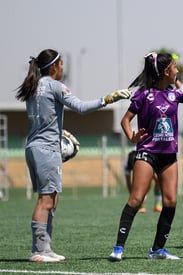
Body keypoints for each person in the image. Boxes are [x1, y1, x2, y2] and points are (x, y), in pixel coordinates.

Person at [109, 52, 183, 261]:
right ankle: (118, 248)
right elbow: (125, 121)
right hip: (147, 153)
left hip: (169, 156)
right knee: (136, 199)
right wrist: (131, 136)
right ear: (165, 71)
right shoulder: (144, 95)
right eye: (174, 67)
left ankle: (157, 249)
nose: (177, 70)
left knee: (171, 201)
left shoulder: (176, 93)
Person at [16, 49, 131, 262]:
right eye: (61, 64)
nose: (63, 68)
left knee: (52, 198)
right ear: (54, 67)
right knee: (45, 200)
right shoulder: (54, 86)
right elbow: (81, 107)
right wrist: (110, 97)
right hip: (47, 150)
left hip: (33, 147)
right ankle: (38, 251)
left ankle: (46, 247)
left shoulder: (33, 86)